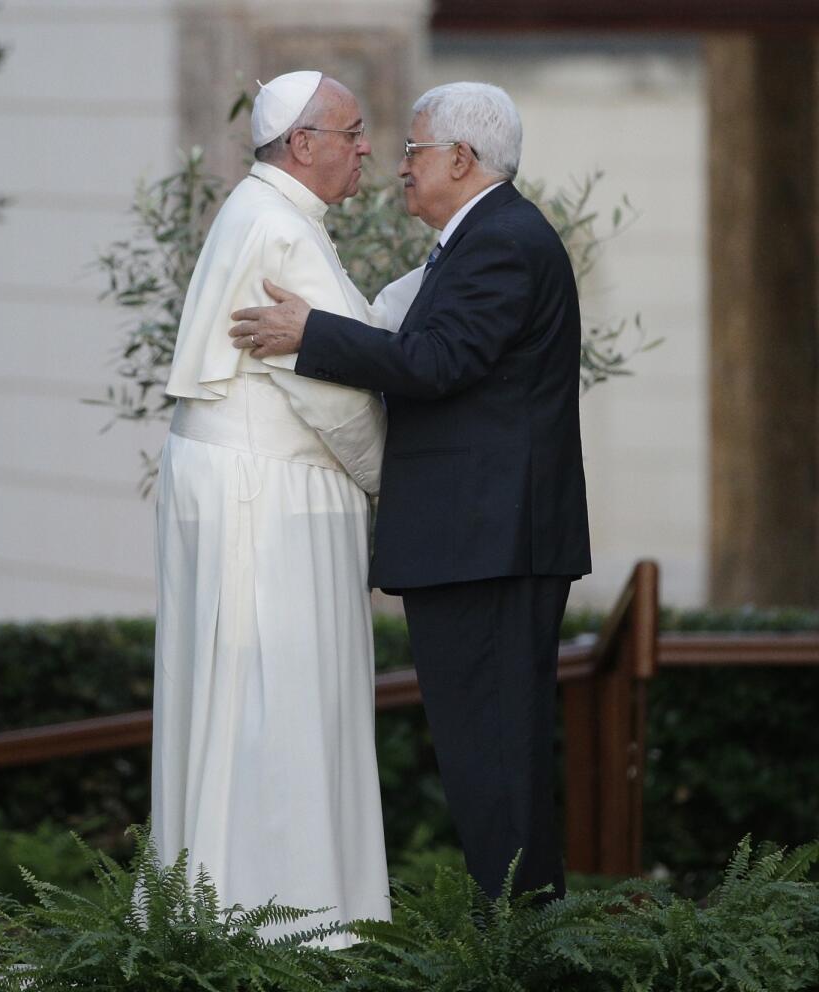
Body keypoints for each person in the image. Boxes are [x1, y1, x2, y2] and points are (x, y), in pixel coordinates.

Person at [230, 81, 591, 901]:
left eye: (414, 151)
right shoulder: (481, 239)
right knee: (488, 759)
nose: (397, 167)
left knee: (495, 760)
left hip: (489, 548)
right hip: (478, 544)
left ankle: (523, 946)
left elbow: (437, 364)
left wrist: (310, 334)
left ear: (461, 160)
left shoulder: (500, 240)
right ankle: (519, 938)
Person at [152, 70, 422, 944]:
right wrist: (396, 483)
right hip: (271, 503)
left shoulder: (261, 213)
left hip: (244, 491)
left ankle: (224, 914)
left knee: (248, 709)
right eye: (352, 131)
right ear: (303, 144)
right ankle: (285, 927)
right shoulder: (280, 227)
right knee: (278, 714)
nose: (367, 148)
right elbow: (338, 400)